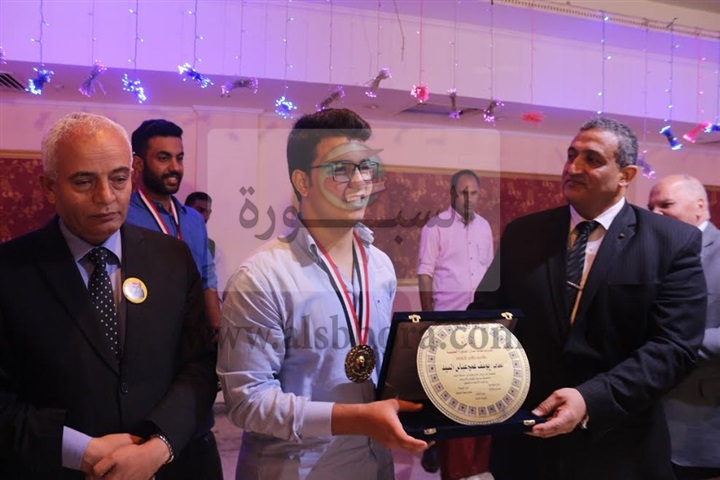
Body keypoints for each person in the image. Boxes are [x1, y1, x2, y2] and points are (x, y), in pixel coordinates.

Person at [470, 117, 707, 480]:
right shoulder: (522, 233)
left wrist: (590, 399)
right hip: (526, 445)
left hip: (619, 448)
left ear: (626, 174)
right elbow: (487, 316)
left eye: (592, 159)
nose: (573, 167)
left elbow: (674, 347)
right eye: (571, 155)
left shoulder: (671, 242)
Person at [0, 112, 219, 479]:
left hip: (173, 465)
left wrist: (157, 446)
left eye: (118, 179)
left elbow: (199, 366)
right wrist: (82, 450)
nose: (105, 197)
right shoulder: (10, 272)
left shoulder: (173, 258)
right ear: (50, 187)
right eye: (84, 181)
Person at [218, 108, 428, 479]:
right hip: (295, 469)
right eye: (341, 170)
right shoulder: (263, 277)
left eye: (366, 167)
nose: (360, 181)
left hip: (375, 465)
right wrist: (356, 418)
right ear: (302, 181)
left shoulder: (380, 266)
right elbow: (247, 401)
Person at [417, 169, 494, 480]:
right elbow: (425, 273)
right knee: (451, 396)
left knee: (480, 395)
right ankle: (443, 450)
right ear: (452, 194)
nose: (469, 199)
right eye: (463, 193)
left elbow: (488, 271)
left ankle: (477, 465)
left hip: (480, 324)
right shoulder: (435, 227)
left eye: (474, 193)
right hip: (447, 322)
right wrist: (428, 318)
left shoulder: (485, 227)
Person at [648, 174, 720, 480]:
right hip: (642, 419)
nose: (655, 214)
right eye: (650, 207)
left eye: (666, 204)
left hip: (699, 417)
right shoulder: (649, 253)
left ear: (700, 206)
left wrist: (673, 344)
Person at [125, 119, 221, 334]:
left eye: (179, 158)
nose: (175, 168)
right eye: (163, 158)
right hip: (145, 332)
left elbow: (207, 276)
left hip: (192, 332)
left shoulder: (194, 220)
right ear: (138, 163)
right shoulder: (122, 217)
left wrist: (216, 327)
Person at [185, 191, 216, 258]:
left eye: (208, 212)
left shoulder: (210, 246)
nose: (205, 216)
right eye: (200, 210)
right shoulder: (174, 236)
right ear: (186, 210)